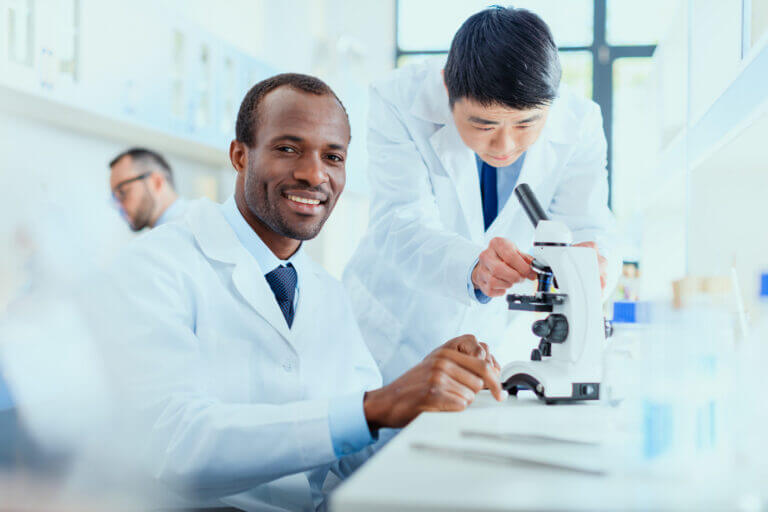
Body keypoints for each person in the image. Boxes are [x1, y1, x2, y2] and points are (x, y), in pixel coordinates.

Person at [96, 73, 506, 511]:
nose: (314, 174)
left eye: (333, 156)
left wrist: (436, 396)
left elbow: (357, 453)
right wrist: (378, 405)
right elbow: (173, 444)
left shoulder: (328, 294)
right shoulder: (156, 266)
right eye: (288, 149)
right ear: (239, 155)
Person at [343, 6, 621, 383]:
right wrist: (472, 267)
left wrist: (594, 264)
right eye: (483, 124)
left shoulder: (580, 122)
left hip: (492, 343)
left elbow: (588, 225)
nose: (505, 145)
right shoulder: (399, 101)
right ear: (446, 88)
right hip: (392, 334)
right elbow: (399, 223)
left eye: (526, 123)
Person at [109, 147, 187, 231]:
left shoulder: (194, 225)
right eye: (115, 197)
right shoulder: (159, 235)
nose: (118, 205)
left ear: (156, 182)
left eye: (122, 192)